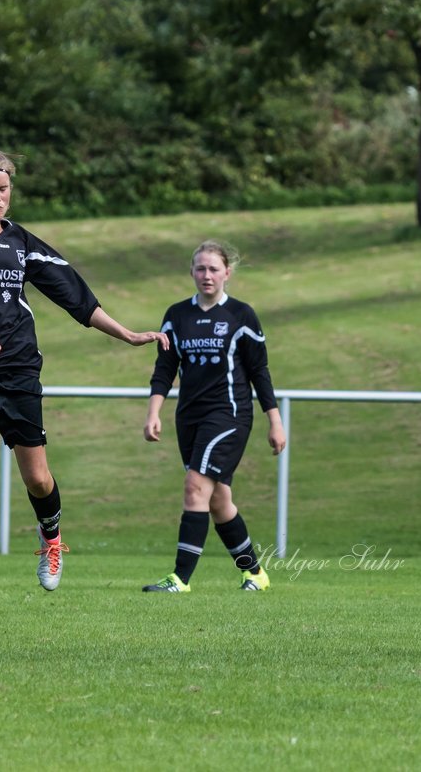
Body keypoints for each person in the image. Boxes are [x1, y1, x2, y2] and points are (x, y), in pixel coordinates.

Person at [0, 144, 169, 625]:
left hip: (19, 372)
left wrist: (127, 333)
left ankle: (51, 537)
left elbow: (73, 294)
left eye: (4, 189)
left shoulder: (21, 242)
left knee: (37, 478)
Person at [141, 239, 286, 594]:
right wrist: (154, 413)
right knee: (218, 500)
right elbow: (164, 369)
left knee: (194, 487)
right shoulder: (177, 315)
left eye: (214, 269)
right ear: (192, 272)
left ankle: (180, 579)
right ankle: (254, 573)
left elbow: (259, 372)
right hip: (189, 417)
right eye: (201, 268)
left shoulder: (241, 315)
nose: (207, 275)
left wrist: (275, 421)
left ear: (227, 273)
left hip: (229, 416)